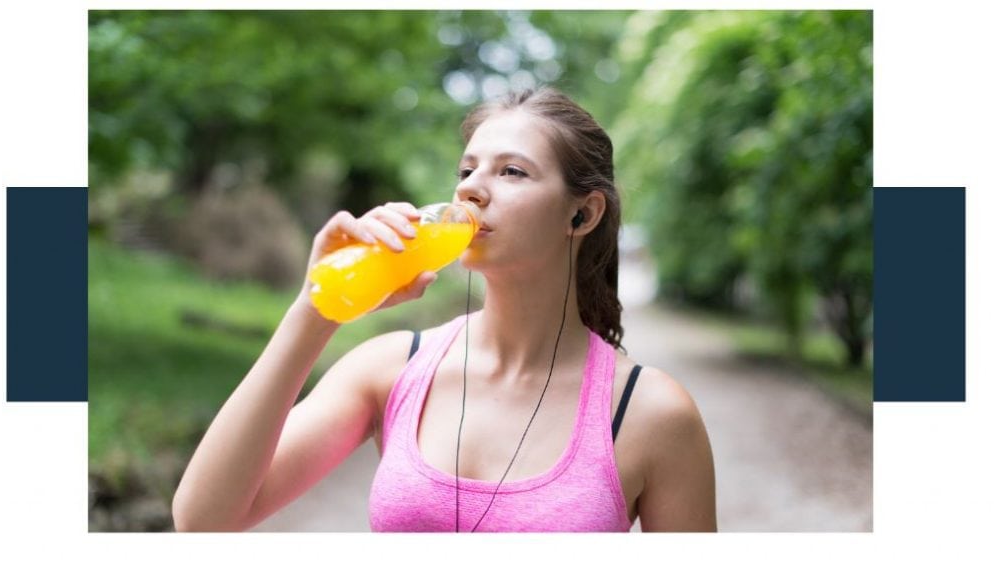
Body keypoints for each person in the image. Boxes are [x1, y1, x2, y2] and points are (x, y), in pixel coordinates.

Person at [172, 87, 717, 532]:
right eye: (466, 171)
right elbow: (204, 519)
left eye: (512, 172)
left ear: (583, 214)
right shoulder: (392, 369)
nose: (472, 190)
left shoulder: (650, 414)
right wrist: (316, 309)